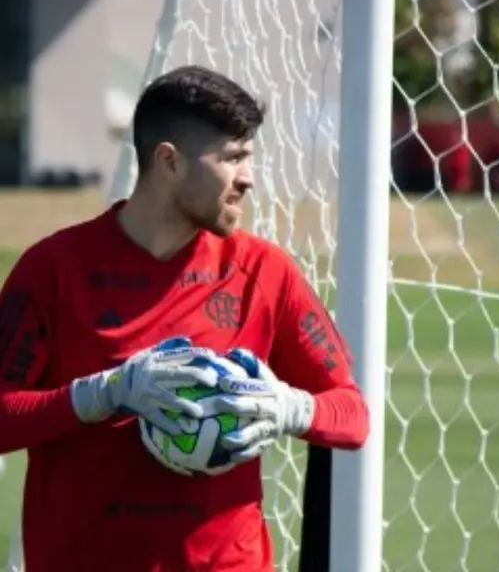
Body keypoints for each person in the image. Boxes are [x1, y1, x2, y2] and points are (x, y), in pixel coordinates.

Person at [0, 65, 369, 571]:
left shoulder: (266, 271)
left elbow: (352, 416)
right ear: (169, 161)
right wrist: (102, 394)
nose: (249, 178)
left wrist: (290, 408)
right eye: (233, 158)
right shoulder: (53, 270)